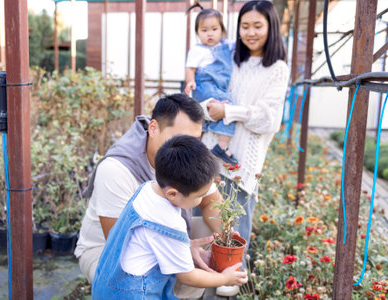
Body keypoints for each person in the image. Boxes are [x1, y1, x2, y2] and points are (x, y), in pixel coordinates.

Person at [75, 94, 222, 289]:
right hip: (105, 251)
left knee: (212, 237)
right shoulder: (117, 168)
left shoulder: (189, 157)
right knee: (176, 274)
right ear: (153, 128)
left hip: (160, 233)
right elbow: (120, 243)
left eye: (194, 140)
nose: (188, 148)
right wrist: (183, 250)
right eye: (180, 139)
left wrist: (228, 239)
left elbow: (211, 201)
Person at [199, 1, 289, 296]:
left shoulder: (276, 69)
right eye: (245, 26)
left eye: (257, 26)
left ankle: (227, 290)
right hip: (211, 156)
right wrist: (208, 106)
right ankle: (201, 287)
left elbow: (268, 119)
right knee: (202, 229)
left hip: (243, 164)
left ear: (270, 28)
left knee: (234, 236)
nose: (250, 32)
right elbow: (206, 91)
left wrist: (228, 112)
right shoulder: (228, 59)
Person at [92, 135, 247, 299]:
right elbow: (188, 276)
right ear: (173, 194)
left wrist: (187, 246)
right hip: (133, 293)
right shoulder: (169, 224)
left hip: (107, 281)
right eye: (200, 195)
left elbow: (153, 239)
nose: (202, 200)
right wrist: (224, 278)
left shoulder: (147, 189)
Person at [184, 6, 237, 165]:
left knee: (204, 118)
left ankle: (195, 148)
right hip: (204, 85)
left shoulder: (226, 45)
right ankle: (222, 145)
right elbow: (190, 68)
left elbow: (239, 46)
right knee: (228, 107)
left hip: (218, 86)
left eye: (214, 29)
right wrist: (190, 81)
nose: (210, 34)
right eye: (204, 30)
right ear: (198, 33)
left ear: (222, 30)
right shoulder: (198, 50)